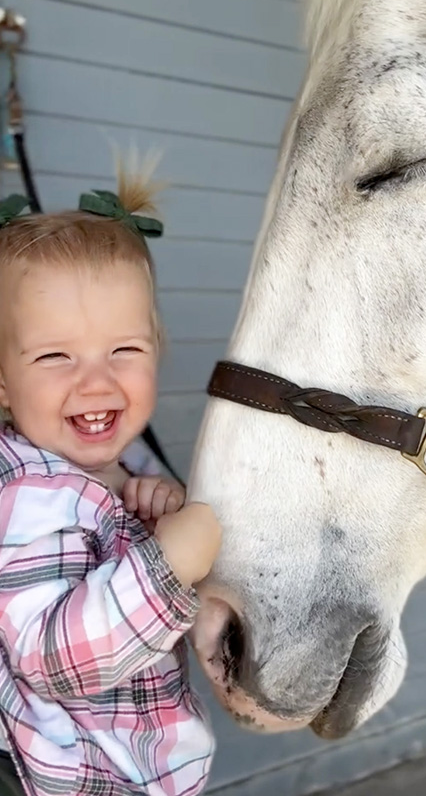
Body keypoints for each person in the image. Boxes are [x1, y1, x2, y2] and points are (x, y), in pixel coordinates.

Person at [0, 164, 221, 795]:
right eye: (54, 355)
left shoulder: (106, 473)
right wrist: (169, 565)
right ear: (2, 384)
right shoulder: (27, 499)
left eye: (125, 350)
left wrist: (150, 511)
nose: (96, 381)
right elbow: (50, 657)